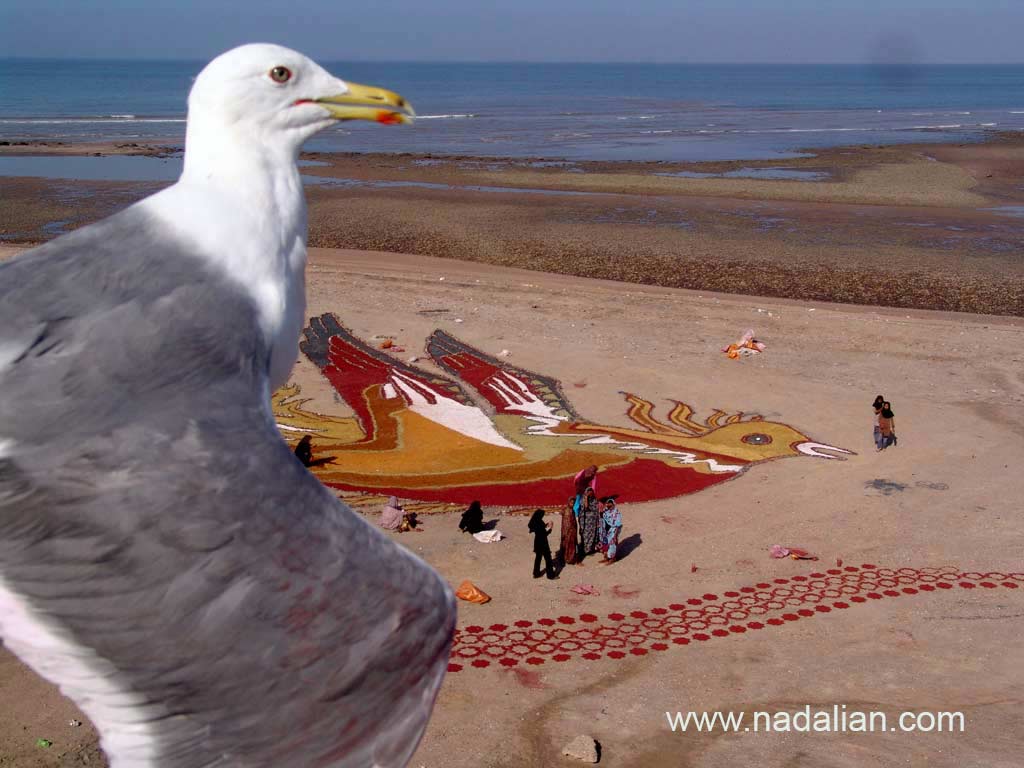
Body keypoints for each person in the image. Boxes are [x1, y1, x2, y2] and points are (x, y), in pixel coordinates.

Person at [528, 509, 557, 579]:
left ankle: (536, 574)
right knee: (548, 559)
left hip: (537, 543)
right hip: (543, 543)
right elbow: (544, 533)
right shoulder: (539, 522)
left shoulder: (536, 522)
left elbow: (541, 528)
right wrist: (550, 529)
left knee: (538, 559)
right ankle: (550, 575)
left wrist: (546, 524)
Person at [578, 487, 601, 557]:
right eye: (589, 493)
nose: (590, 495)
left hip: (593, 522)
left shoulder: (594, 500)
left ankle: (591, 549)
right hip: (586, 523)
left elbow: (596, 509)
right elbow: (586, 507)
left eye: (591, 493)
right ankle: (585, 550)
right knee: (585, 536)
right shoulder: (583, 500)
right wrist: (586, 498)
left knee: (593, 535)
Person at [600, 498, 623, 564]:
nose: (609, 507)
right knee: (605, 543)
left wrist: (615, 535)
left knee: (612, 543)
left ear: (613, 505)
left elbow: (618, 525)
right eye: (608, 506)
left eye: (610, 506)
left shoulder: (617, 513)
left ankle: (612, 558)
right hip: (607, 530)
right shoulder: (606, 512)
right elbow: (602, 517)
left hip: (614, 530)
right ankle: (607, 557)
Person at [559, 496, 580, 567]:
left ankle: (569, 558)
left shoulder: (572, 510)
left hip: (572, 531)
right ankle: (569, 559)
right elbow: (565, 523)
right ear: (568, 502)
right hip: (567, 532)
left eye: (573, 503)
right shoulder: (566, 510)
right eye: (571, 502)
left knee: (571, 545)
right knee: (568, 545)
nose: (572, 504)